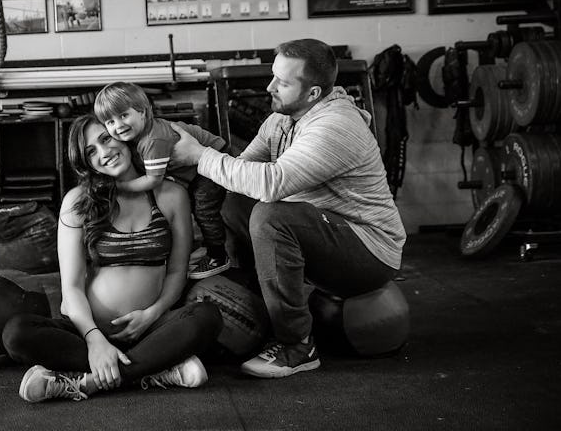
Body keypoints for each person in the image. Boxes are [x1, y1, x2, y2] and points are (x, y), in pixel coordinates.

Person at [170, 38, 406, 379]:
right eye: (272, 76)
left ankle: (298, 346)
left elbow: (270, 183)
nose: (270, 87)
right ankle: (259, 305)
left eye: (282, 82)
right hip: (327, 232)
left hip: (370, 253)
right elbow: (239, 173)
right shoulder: (282, 119)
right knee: (234, 199)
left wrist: (199, 156)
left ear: (313, 94)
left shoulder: (335, 126)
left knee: (272, 216)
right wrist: (186, 158)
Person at [2, 115, 223, 403]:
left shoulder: (171, 194)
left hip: (152, 328)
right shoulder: (78, 201)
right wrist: (94, 339)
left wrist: (152, 314)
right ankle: (154, 370)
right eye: (91, 151)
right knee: (16, 333)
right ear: (86, 163)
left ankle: (86, 381)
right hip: (88, 330)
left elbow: (177, 271)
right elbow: (71, 287)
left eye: (106, 139)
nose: (104, 153)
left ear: (125, 137)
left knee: (207, 317)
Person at [94, 82, 231, 280]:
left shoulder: (153, 140)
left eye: (123, 115)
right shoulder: (141, 134)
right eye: (110, 122)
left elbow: (152, 180)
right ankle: (208, 246)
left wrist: (120, 186)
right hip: (194, 166)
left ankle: (218, 255)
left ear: (142, 112)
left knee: (204, 210)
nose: (118, 125)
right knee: (190, 203)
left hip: (213, 160)